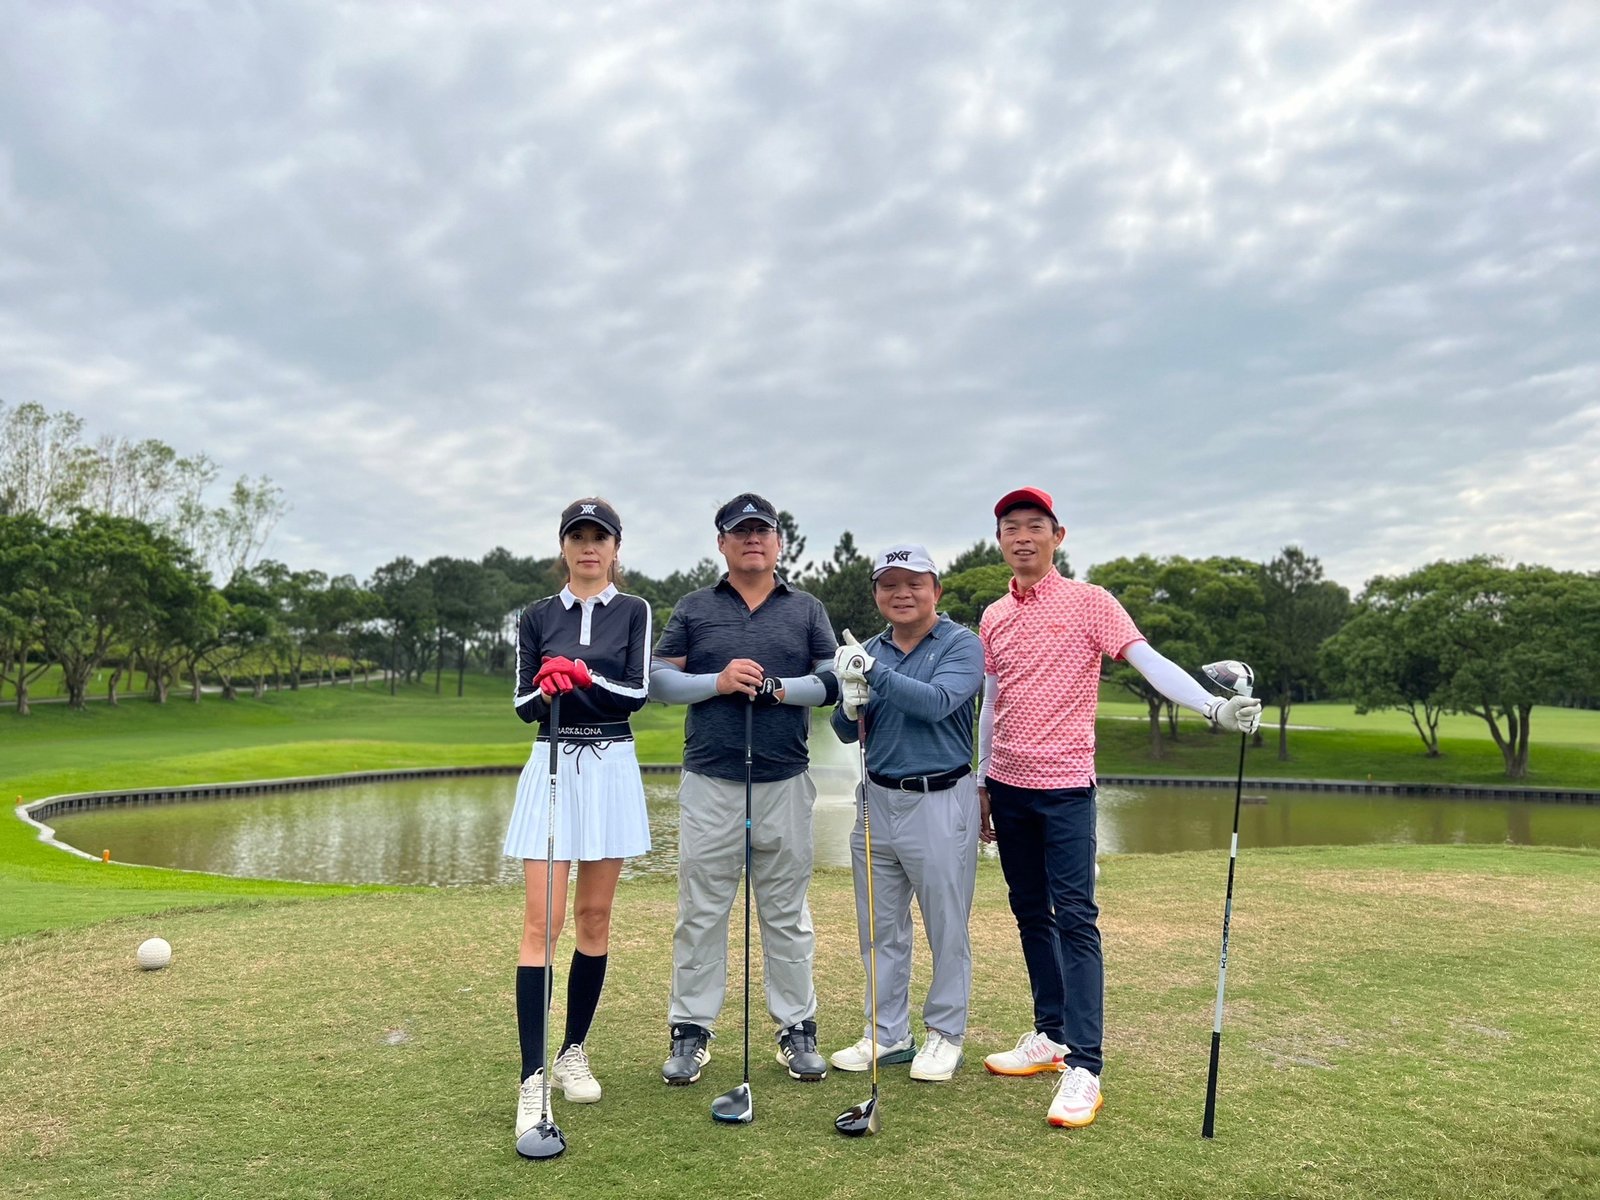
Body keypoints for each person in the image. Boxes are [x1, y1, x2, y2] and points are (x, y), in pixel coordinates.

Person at [976, 486, 1261, 1129]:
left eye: (1035, 526)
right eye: (1011, 527)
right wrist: (982, 780)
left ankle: (1085, 1065)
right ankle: (1050, 1035)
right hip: (1009, 785)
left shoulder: (1091, 602)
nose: (1022, 537)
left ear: (1058, 536)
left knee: (1075, 918)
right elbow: (992, 702)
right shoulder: (993, 616)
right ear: (1000, 541)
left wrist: (1213, 708)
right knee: (1029, 913)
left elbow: (1149, 662)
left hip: (1067, 788)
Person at [649, 492, 840, 1084]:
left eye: (763, 531)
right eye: (740, 532)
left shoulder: (806, 608)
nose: (752, 539)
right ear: (722, 543)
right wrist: (719, 681)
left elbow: (833, 683)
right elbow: (659, 681)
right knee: (701, 911)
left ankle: (797, 1028)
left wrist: (780, 689)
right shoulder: (695, 606)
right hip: (712, 779)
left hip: (785, 778)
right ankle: (691, 1030)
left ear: (779, 541)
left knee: (786, 912)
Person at [506, 497, 653, 1143]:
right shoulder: (537, 616)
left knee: (594, 917)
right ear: (563, 547)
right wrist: (549, 689)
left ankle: (572, 1051)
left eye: (600, 537)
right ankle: (532, 1076)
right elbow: (522, 705)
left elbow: (636, 693)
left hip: (610, 765)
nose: (589, 547)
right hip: (553, 761)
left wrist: (582, 675)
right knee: (543, 922)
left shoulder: (634, 610)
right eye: (578, 537)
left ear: (616, 547)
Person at [829, 544, 984, 1082]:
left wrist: (873, 673)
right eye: (889, 584)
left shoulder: (961, 644)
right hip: (876, 799)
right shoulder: (870, 649)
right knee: (879, 925)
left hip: (939, 797)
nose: (902, 593)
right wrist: (850, 702)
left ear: (935, 590)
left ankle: (945, 1034)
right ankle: (887, 1032)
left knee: (946, 925)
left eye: (914, 583)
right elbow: (844, 730)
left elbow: (938, 702)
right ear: (876, 593)